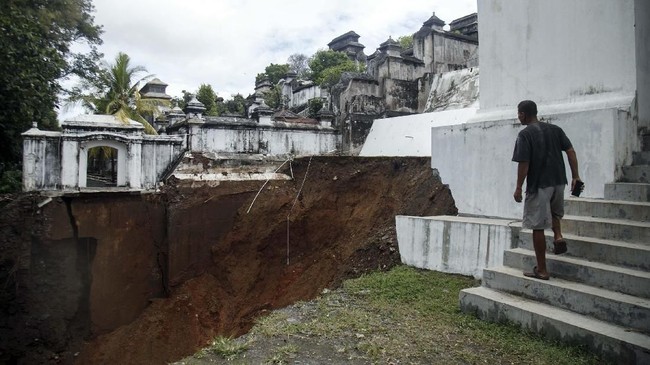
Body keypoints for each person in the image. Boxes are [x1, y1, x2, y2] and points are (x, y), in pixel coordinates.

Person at [512, 100, 582, 280]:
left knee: (538, 226)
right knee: (555, 213)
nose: (518, 116)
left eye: (519, 113)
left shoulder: (525, 135)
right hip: (559, 181)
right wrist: (576, 176)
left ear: (523, 114)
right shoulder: (555, 130)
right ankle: (558, 236)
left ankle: (542, 270)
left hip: (539, 185)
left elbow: (524, 163)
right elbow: (571, 151)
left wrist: (519, 187)